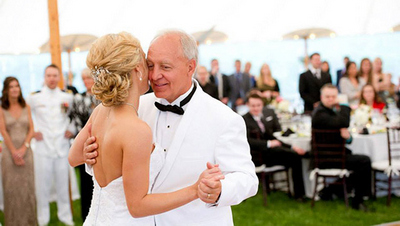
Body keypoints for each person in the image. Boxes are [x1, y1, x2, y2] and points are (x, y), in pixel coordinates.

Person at [82, 30, 258, 225]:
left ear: (190, 67)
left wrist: (219, 190)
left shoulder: (224, 118)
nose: (155, 75)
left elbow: (247, 178)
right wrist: (91, 152)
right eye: (150, 65)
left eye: (165, 67)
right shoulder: (134, 107)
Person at [26, 64, 74, 226]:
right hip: (42, 148)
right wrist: (33, 131)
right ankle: (42, 217)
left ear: (59, 77)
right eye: (49, 75)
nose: (52, 79)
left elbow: (73, 117)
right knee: (42, 186)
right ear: (44, 77)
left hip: (61, 146)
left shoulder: (67, 97)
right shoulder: (34, 97)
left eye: (55, 75)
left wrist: (71, 129)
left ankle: (65, 216)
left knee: (62, 184)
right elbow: (24, 115)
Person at [312, 84, 372, 210]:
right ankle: (358, 200)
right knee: (364, 161)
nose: (330, 99)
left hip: (337, 154)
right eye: (327, 96)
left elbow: (344, 132)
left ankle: (329, 191)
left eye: (333, 96)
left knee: (360, 161)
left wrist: (347, 136)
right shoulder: (320, 114)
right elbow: (344, 122)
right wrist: (345, 104)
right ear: (321, 97)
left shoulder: (331, 111)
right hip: (326, 158)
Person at [242, 93, 306, 200]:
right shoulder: (244, 120)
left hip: (269, 153)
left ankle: (298, 193)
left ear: (262, 105)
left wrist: (291, 146)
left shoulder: (262, 118)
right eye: (253, 106)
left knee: (295, 156)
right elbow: (247, 141)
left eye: (258, 105)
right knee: (294, 157)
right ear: (248, 105)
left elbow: (271, 137)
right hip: (257, 156)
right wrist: (268, 144)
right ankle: (299, 194)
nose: (256, 108)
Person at [0, 77, 37, 225]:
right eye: (11, 87)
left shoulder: (26, 106)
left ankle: (29, 222)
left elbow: (32, 129)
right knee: (11, 191)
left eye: (17, 86)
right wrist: (14, 152)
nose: (15, 89)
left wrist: (24, 148)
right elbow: (3, 131)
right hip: (9, 155)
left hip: (26, 153)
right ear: (6, 90)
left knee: (27, 189)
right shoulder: (2, 108)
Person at [67, 68, 100, 220]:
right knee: (85, 182)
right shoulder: (78, 98)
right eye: (84, 79)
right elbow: (73, 120)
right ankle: (86, 215)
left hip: (101, 143)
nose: (87, 82)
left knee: (99, 180)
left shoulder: (103, 98)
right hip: (82, 143)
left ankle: (99, 212)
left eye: (89, 78)